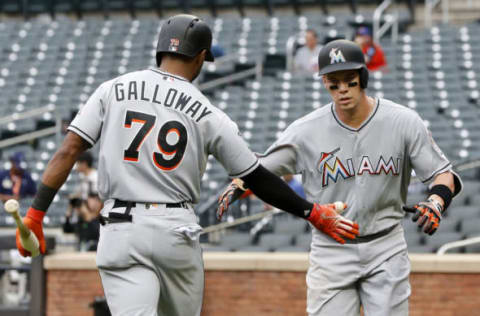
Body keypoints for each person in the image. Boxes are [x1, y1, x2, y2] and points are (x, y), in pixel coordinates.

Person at [14, 15, 359, 316]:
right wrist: (313, 213)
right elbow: (256, 177)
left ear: (161, 51)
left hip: (121, 228)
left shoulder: (112, 89)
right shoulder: (208, 112)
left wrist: (36, 215)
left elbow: (68, 150)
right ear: (199, 58)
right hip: (174, 230)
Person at [218, 39, 463, 316]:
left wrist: (435, 202)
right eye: (334, 82)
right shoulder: (305, 131)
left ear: (363, 76)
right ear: (324, 82)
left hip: (386, 244)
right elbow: (260, 170)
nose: (343, 89)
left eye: (349, 79)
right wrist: (240, 183)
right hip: (331, 247)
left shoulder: (403, 121)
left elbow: (443, 174)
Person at [63, 152, 102, 251]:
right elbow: (80, 195)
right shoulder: (83, 178)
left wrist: (93, 216)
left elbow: (99, 198)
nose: (76, 166)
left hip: (94, 218)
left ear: (84, 164)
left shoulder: (95, 177)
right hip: (84, 216)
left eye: (78, 163)